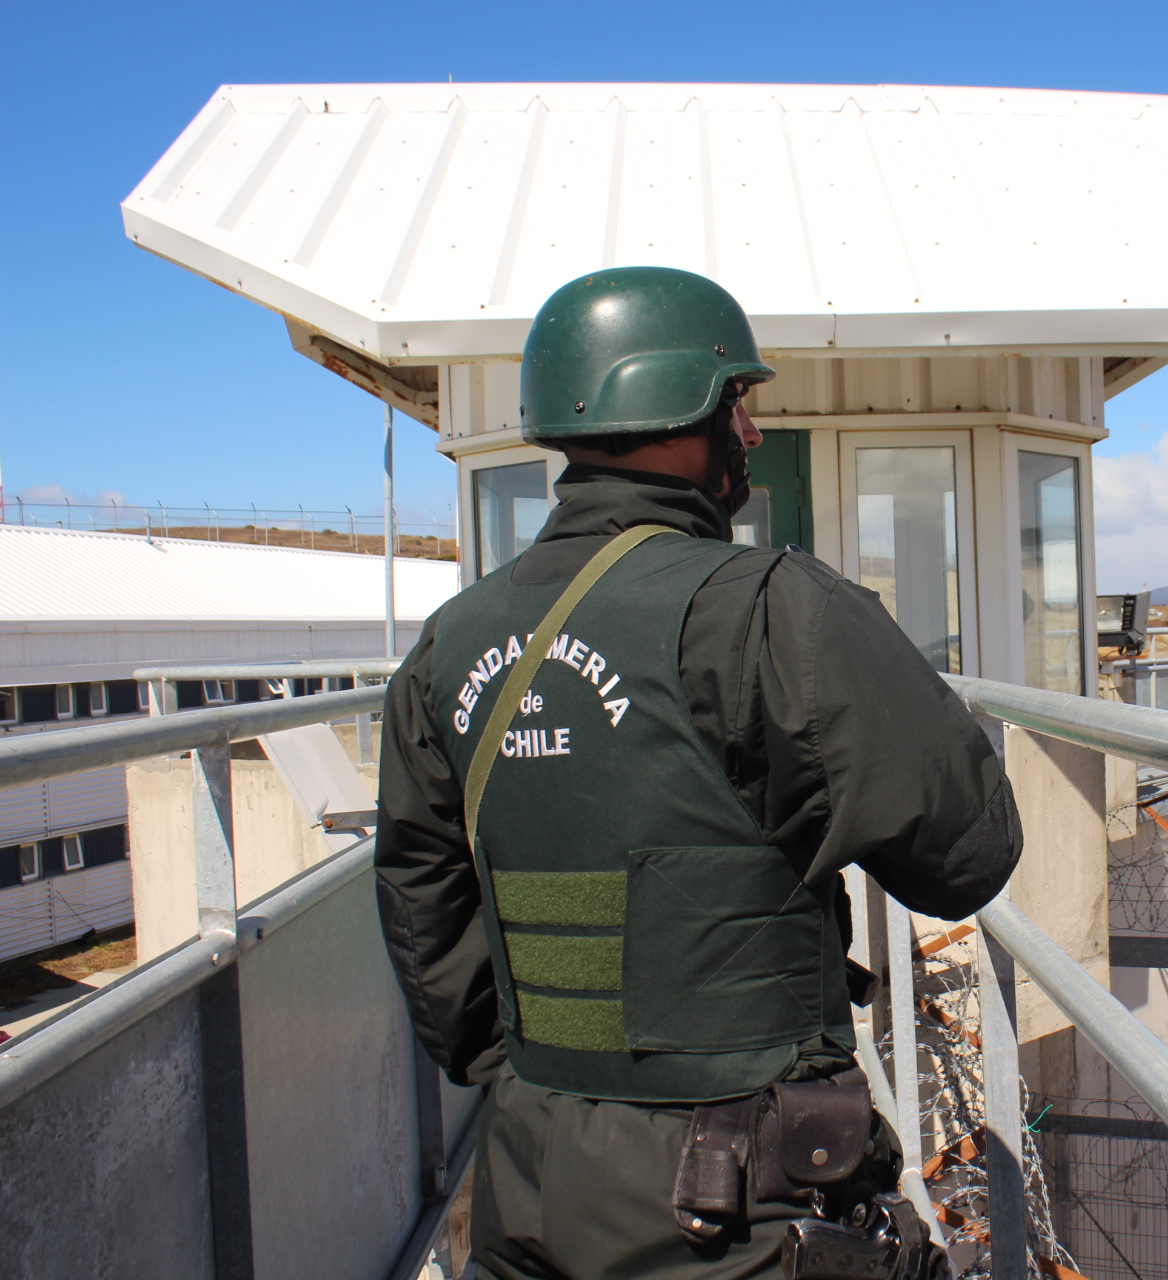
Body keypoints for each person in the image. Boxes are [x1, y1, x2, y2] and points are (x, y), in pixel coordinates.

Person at [375, 266, 1021, 1280]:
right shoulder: (770, 608)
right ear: (673, 409)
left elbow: (425, 916)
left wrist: (546, 1076)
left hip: (530, 1175)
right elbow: (967, 853)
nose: (751, 431)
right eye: (737, 401)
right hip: (734, 1205)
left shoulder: (447, 643)